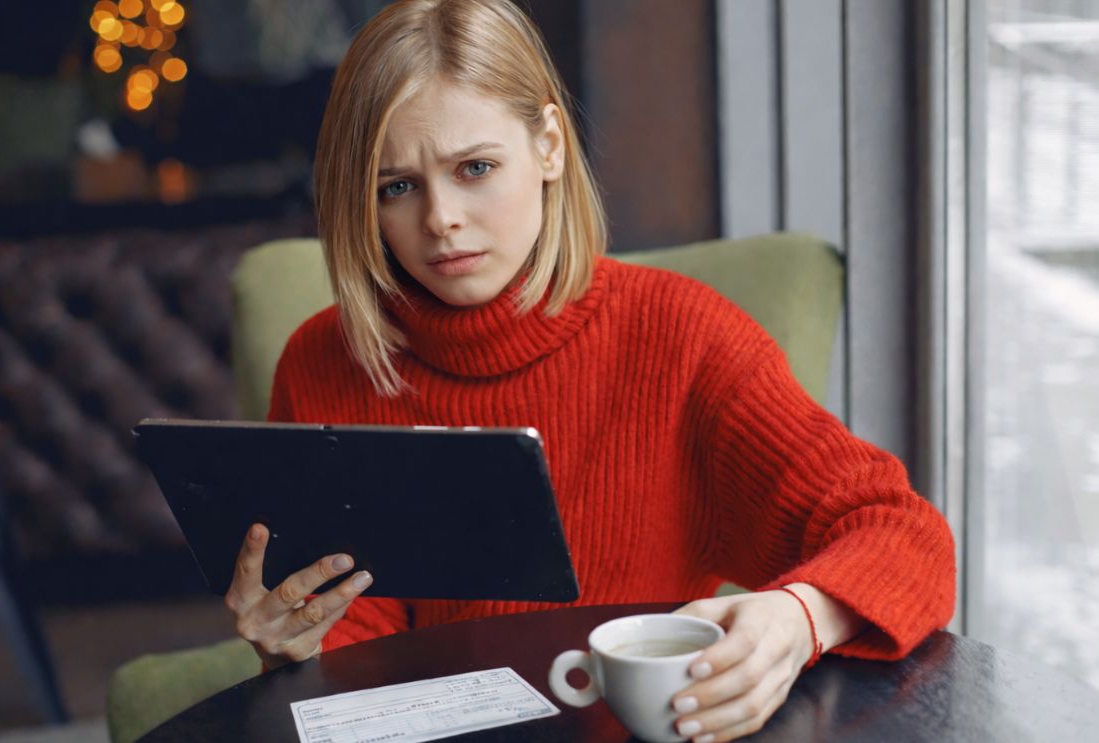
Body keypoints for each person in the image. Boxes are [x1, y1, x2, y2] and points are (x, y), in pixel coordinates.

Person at [222, 0, 956, 740]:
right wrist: (295, 641)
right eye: (397, 187)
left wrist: (798, 616)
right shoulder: (325, 360)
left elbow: (904, 534)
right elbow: (357, 650)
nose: (440, 217)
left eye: (474, 168)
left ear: (547, 145)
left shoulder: (683, 336)